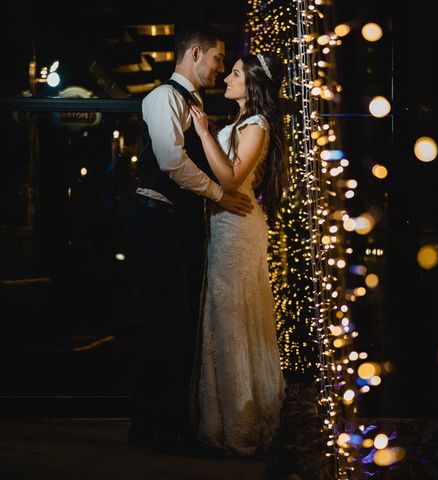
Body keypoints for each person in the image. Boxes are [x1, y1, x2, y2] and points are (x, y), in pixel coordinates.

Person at [126, 22, 253, 458]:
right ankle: (163, 428)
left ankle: (151, 426)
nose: (220, 69)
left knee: (170, 325)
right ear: (195, 53)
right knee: (167, 323)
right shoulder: (162, 97)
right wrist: (221, 194)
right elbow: (170, 162)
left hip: (174, 222)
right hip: (155, 218)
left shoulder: (193, 101)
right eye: (218, 59)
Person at [187, 52, 287, 455]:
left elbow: (231, 178)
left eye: (235, 73)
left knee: (232, 319)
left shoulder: (257, 126)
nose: (227, 77)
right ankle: (219, 422)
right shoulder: (240, 123)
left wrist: (204, 132)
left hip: (238, 230)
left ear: (253, 84)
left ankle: (242, 427)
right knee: (220, 317)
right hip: (222, 227)